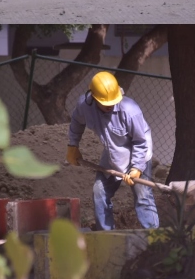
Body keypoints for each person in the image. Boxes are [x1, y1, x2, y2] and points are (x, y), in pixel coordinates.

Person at [66, 71, 159, 231]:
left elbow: (140, 141)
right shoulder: (84, 106)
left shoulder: (130, 110)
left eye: (112, 102)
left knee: (143, 197)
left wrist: (137, 167)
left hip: (138, 153)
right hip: (112, 153)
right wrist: (73, 146)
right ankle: (106, 236)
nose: (109, 105)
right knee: (99, 192)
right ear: (94, 97)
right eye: (105, 103)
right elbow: (76, 122)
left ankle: (154, 239)